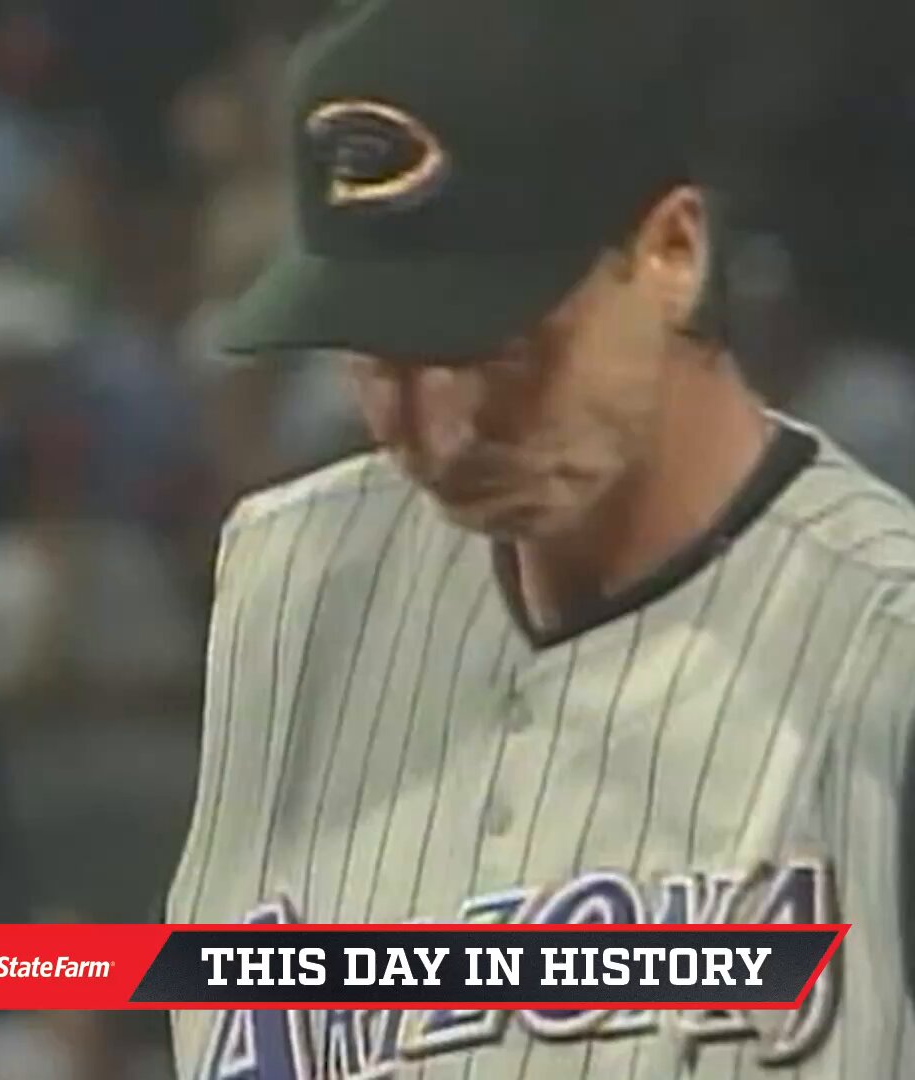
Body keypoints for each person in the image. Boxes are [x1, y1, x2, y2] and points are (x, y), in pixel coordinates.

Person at [166, 0, 915, 1076]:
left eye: (497, 349)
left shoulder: (885, 642)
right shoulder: (288, 573)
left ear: (672, 252)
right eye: (378, 357)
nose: (439, 431)